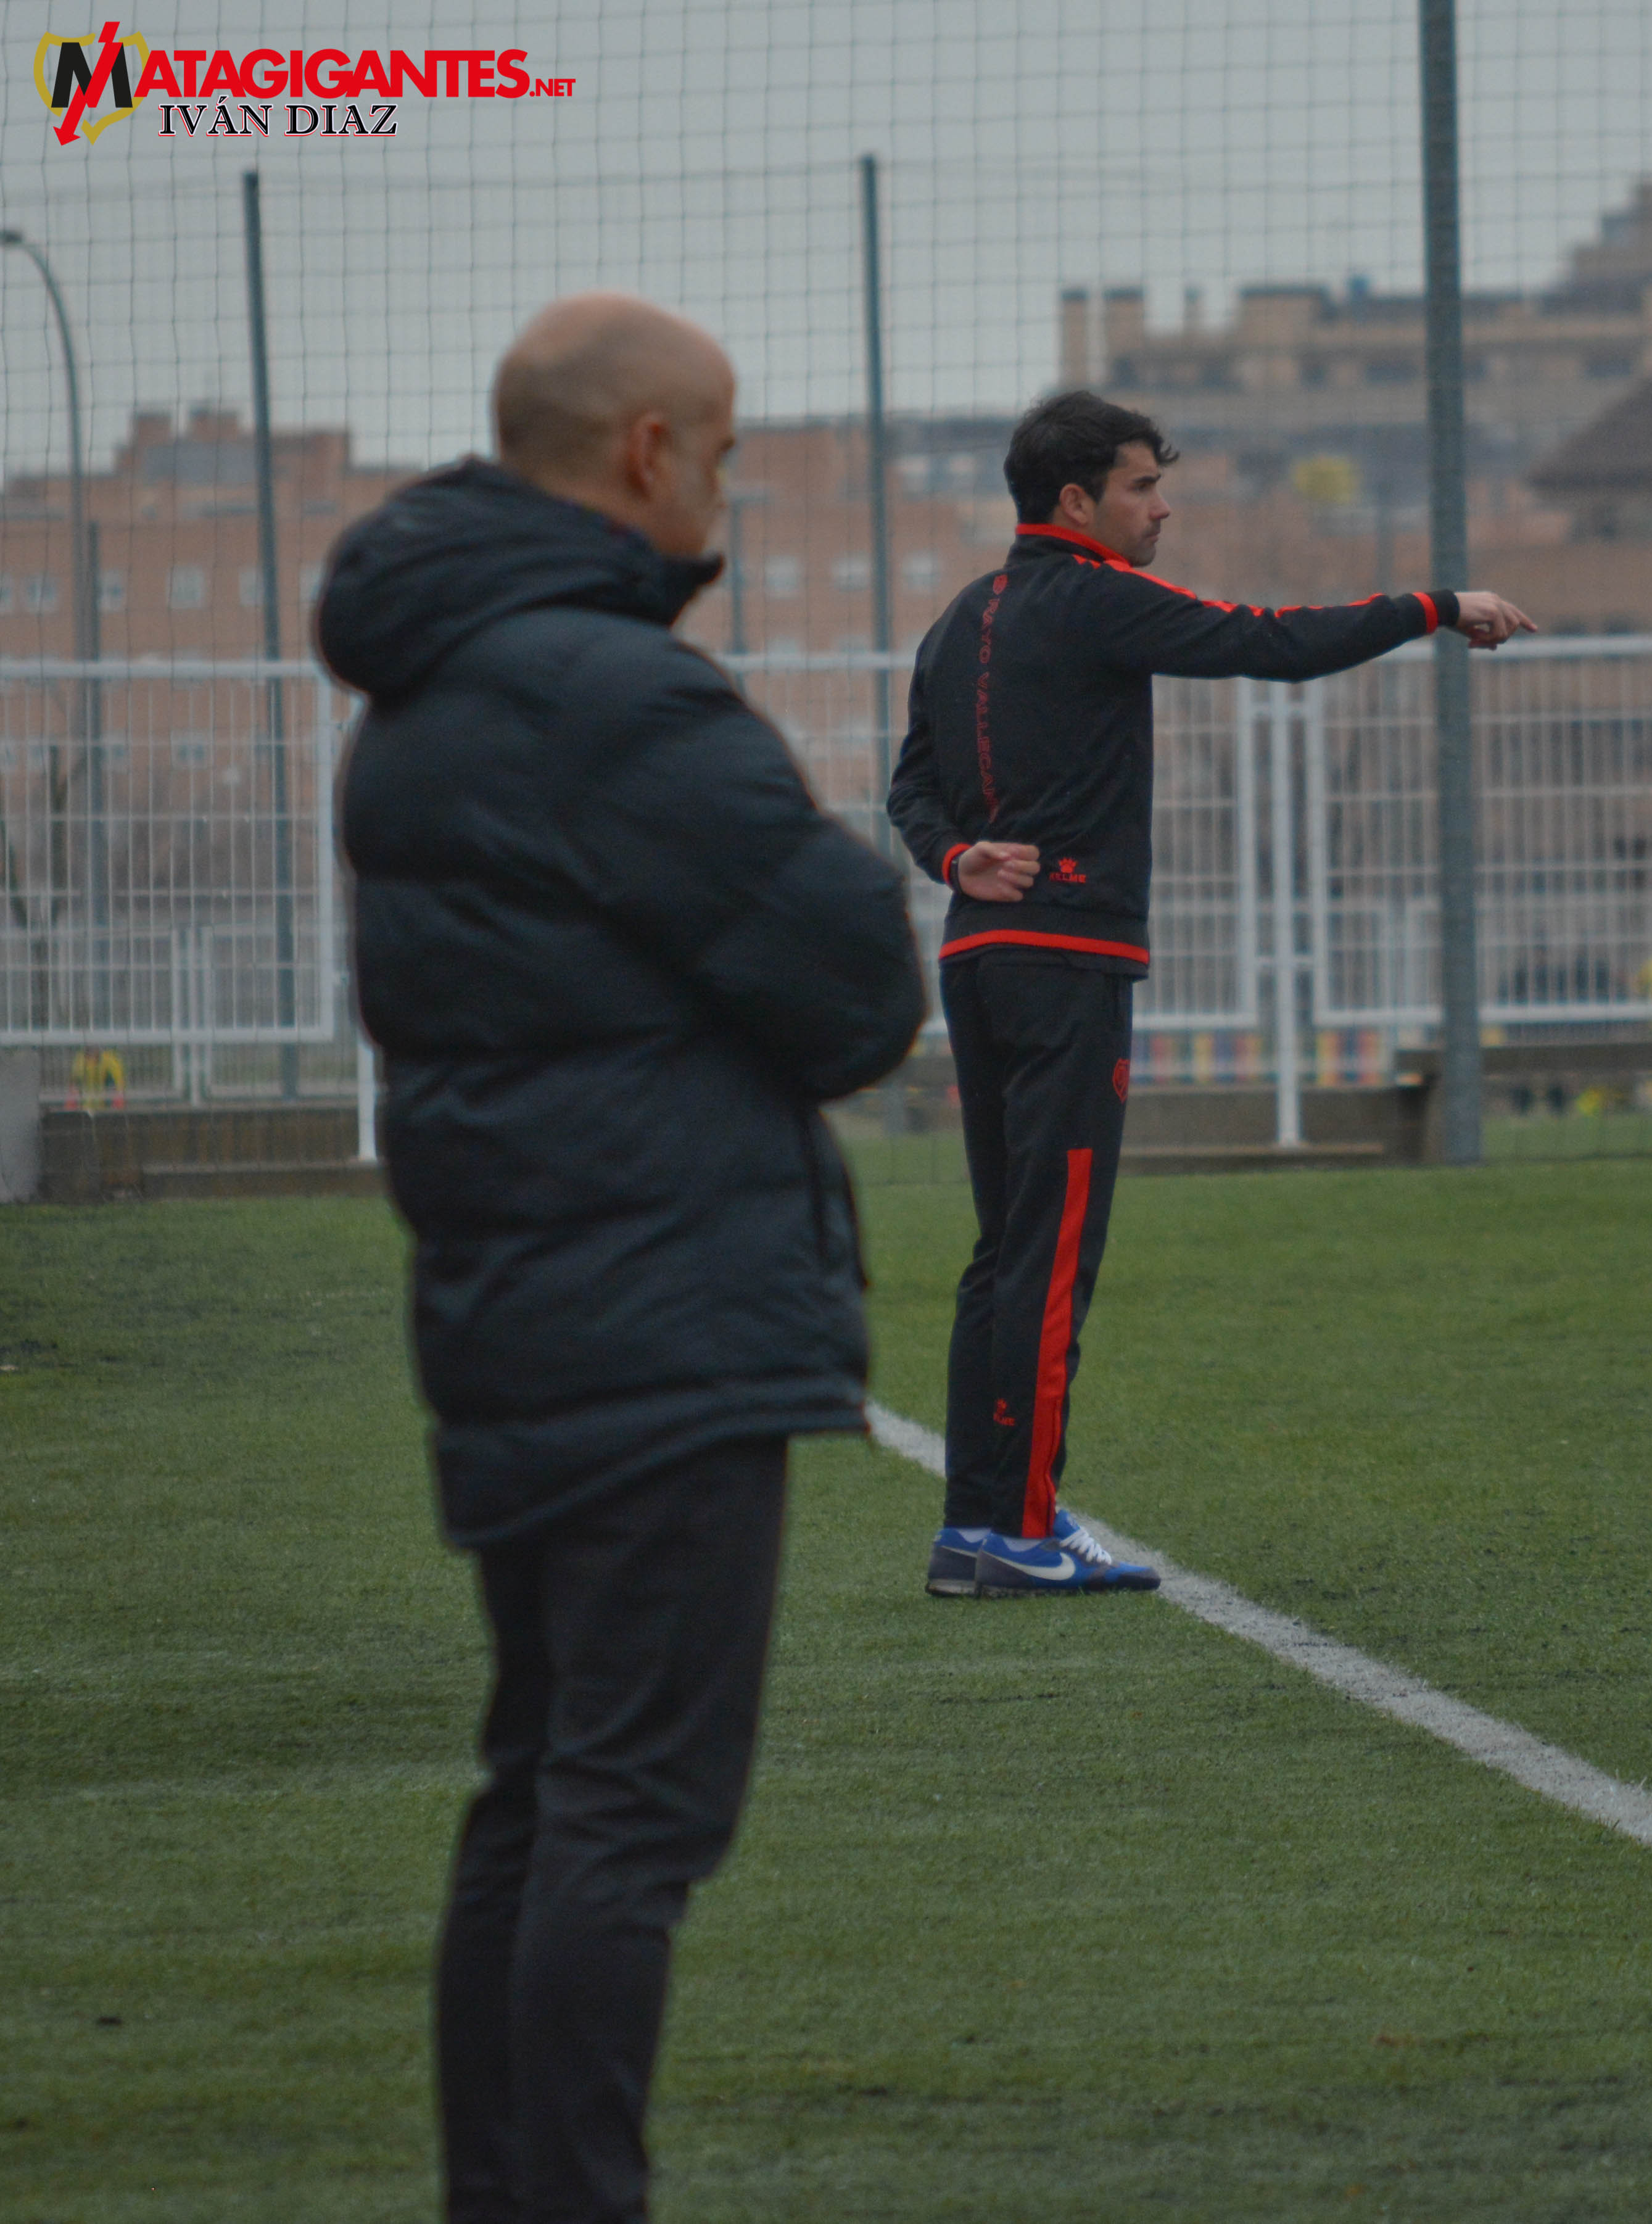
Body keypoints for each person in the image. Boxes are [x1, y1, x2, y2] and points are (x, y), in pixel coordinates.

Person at [318, 293, 924, 2223]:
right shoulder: (610, 695)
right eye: (729, 449)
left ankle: (507, 2191)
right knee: (629, 1806)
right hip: (657, 1310)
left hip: (519, 1299)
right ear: (649, 451)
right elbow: (851, 987)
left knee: (542, 1784)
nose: (730, 485)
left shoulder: (432, 686)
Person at [890, 389, 1533, 1597]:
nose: (1161, 505)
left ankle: (985, 1522)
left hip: (981, 958)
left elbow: (909, 787)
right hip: (1068, 961)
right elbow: (1266, 639)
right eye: (1142, 486)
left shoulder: (963, 615)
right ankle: (1017, 1537)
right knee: (1052, 1255)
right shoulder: (1092, 598)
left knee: (1008, 1251)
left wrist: (951, 860)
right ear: (1076, 501)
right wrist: (1434, 607)